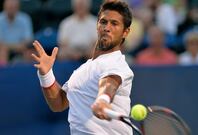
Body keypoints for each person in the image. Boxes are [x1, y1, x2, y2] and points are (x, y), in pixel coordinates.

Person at [31, 1, 134, 135]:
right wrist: (46, 74)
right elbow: (59, 103)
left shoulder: (116, 63)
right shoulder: (82, 70)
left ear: (125, 32)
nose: (107, 27)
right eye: (103, 22)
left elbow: (110, 82)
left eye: (114, 23)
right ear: (97, 25)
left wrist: (103, 100)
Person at [0, 0, 33, 64]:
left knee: (30, 52)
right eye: (9, 7)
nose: (11, 9)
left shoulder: (25, 18)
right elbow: (1, 43)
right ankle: (3, 72)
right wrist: (13, 46)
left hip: (21, 48)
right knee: (3, 51)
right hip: (3, 49)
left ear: (18, 8)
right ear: (4, 7)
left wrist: (14, 46)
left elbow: (28, 40)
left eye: (13, 7)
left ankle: (26, 72)